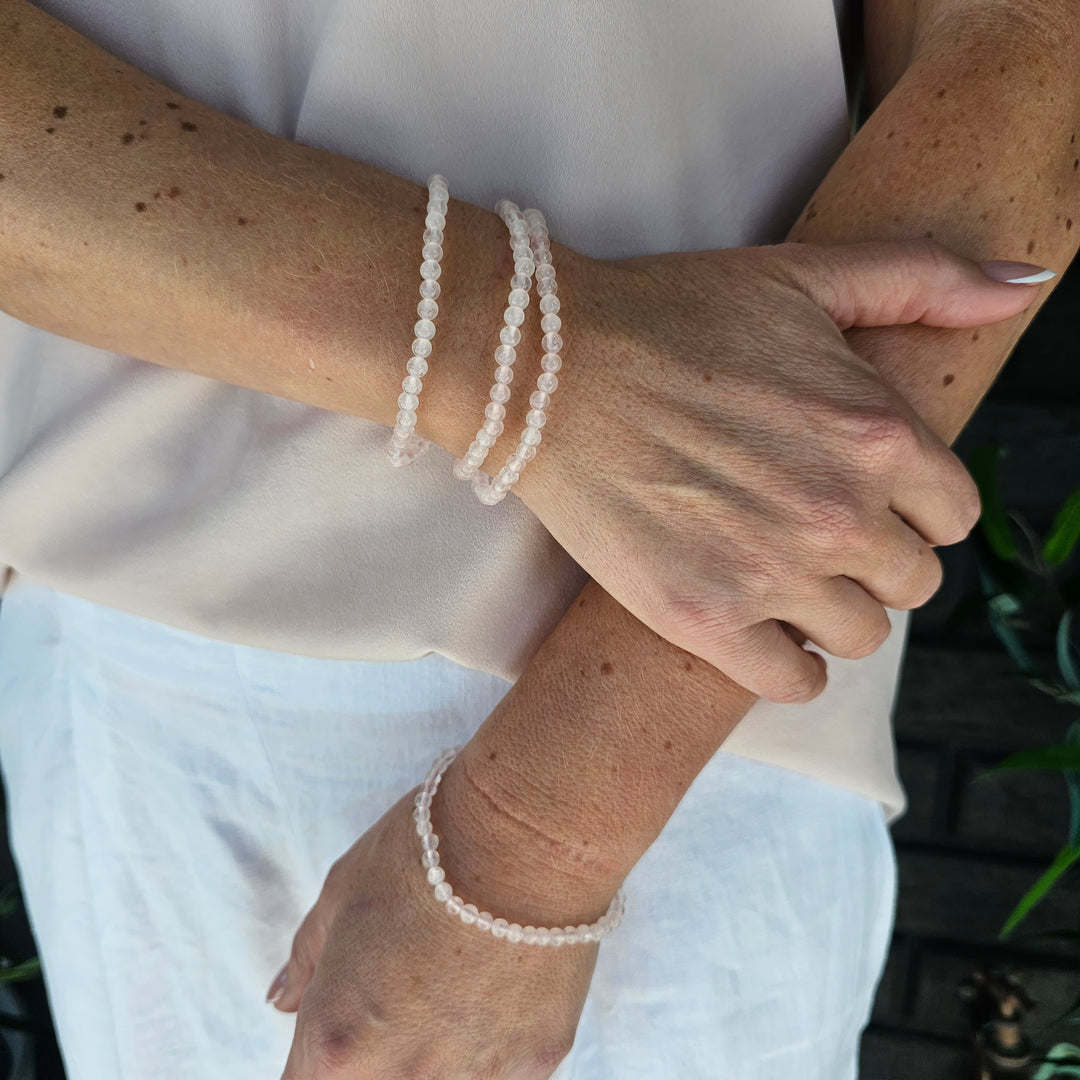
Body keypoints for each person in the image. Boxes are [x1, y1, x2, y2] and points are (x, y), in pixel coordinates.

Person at [0, 0, 1074, 1077]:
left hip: (661, 697)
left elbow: (1029, 47)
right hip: (125, 659)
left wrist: (532, 841)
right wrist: (530, 362)